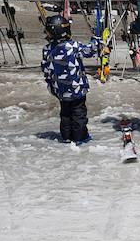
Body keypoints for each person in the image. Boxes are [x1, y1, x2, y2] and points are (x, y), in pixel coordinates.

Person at [41, 15, 100, 145]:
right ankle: (80, 138)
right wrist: (96, 41)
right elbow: (90, 51)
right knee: (79, 114)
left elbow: (45, 69)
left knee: (65, 115)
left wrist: (51, 85)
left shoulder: (46, 49)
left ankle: (66, 137)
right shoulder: (72, 46)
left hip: (60, 91)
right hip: (77, 89)